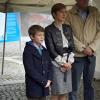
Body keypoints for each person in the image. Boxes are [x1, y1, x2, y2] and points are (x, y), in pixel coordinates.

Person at [65, 0, 100, 100]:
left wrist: (92, 47)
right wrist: (82, 48)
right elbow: (67, 33)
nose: (86, 0)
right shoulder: (69, 14)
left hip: (91, 55)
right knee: (74, 86)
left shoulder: (95, 12)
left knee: (89, 85)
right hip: (77, 57)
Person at [45, 3, 75, 100]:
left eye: (65, 12)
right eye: (61, 12)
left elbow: (72, 47)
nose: (64, 14)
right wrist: (63, 63)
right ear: (54, 14)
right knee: (56, 92)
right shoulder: (48, 29)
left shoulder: (68, 27)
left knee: (64, 92)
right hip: (56, 63)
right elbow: (51, 50)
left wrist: (69, 62)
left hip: (68, 63)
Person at [23, 25, 53, 100]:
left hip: (44, 86)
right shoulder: (28, 51)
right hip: (34, 87)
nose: (42, 37)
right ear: (32, 37)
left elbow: (50, 65)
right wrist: (44, 81)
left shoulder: (44, 50)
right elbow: (30, 70)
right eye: (39, 35)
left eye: (43, 35)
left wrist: (49, 79)